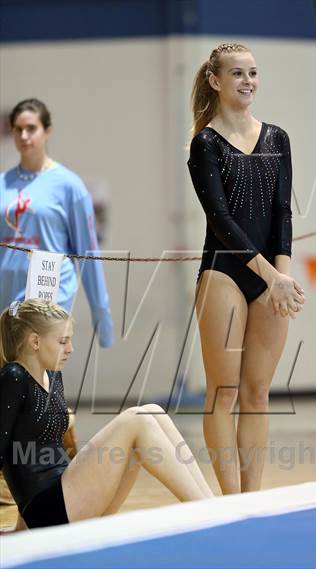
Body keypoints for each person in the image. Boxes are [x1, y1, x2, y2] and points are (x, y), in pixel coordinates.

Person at [187, 43, 305, 494]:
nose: (248, 81)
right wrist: (270, 277)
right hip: (223, 274)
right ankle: (229, 500)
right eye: (237, 74)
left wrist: (283, 277)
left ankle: (252, 500)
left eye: (253, 73)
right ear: (216, 81)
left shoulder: (277, 139)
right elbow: (220, 219)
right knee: (225, 393)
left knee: (257, 394)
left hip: (271, 278)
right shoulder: (205, 144)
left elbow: (282, 214)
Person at [0, 299, 213, 529]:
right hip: (49, 510)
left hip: (66, 496)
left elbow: (45, 446)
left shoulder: (52, 375)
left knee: (153, 412)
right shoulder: (14, 376)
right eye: (63, 341)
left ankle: (213, 507)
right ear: (35, 341)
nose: (70, 349)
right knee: (135, 421)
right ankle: (209, 515)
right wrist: (24, 524)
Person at [0, 98, 113, 348]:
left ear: (47, 132)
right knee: (12, 380)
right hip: (6, 305)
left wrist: (101, 317)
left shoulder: (69, 186)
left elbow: (88, 254)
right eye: (18, 129)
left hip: (49, 299)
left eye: (31, 128)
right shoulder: (2, 185)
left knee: (42, 378)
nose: (24, 135)